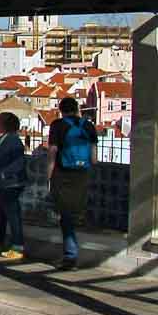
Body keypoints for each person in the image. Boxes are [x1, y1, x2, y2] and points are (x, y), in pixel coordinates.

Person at [46, 97, 98, 270]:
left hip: (63, 173)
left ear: (61, 110)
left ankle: (70, 256)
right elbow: (94, 157)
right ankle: (72, 249)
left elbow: (52, 151)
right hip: (82, 174)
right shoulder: (88, 125)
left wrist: (49, 173)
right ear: (77, 108)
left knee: (65, 215)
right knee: (76, 211)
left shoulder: (57, 125)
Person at [0, 112, 27, 261]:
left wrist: (4, 174)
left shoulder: (13, 141)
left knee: (13, 215)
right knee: (4, 214)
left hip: (11, 183)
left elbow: (19, 162)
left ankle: (17, 246)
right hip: (5, 182)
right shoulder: (6, 139)